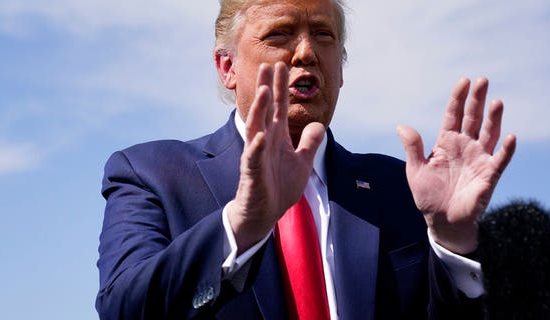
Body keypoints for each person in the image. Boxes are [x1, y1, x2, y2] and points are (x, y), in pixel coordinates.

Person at [96, 0, 517, 319]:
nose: (305, 53)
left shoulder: (404, 188)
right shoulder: (151, 174)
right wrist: (242, 225)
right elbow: (124, 307)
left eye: (323, 34)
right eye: (279, 34)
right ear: (227, 67)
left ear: (341, 68)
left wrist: (452, 243)